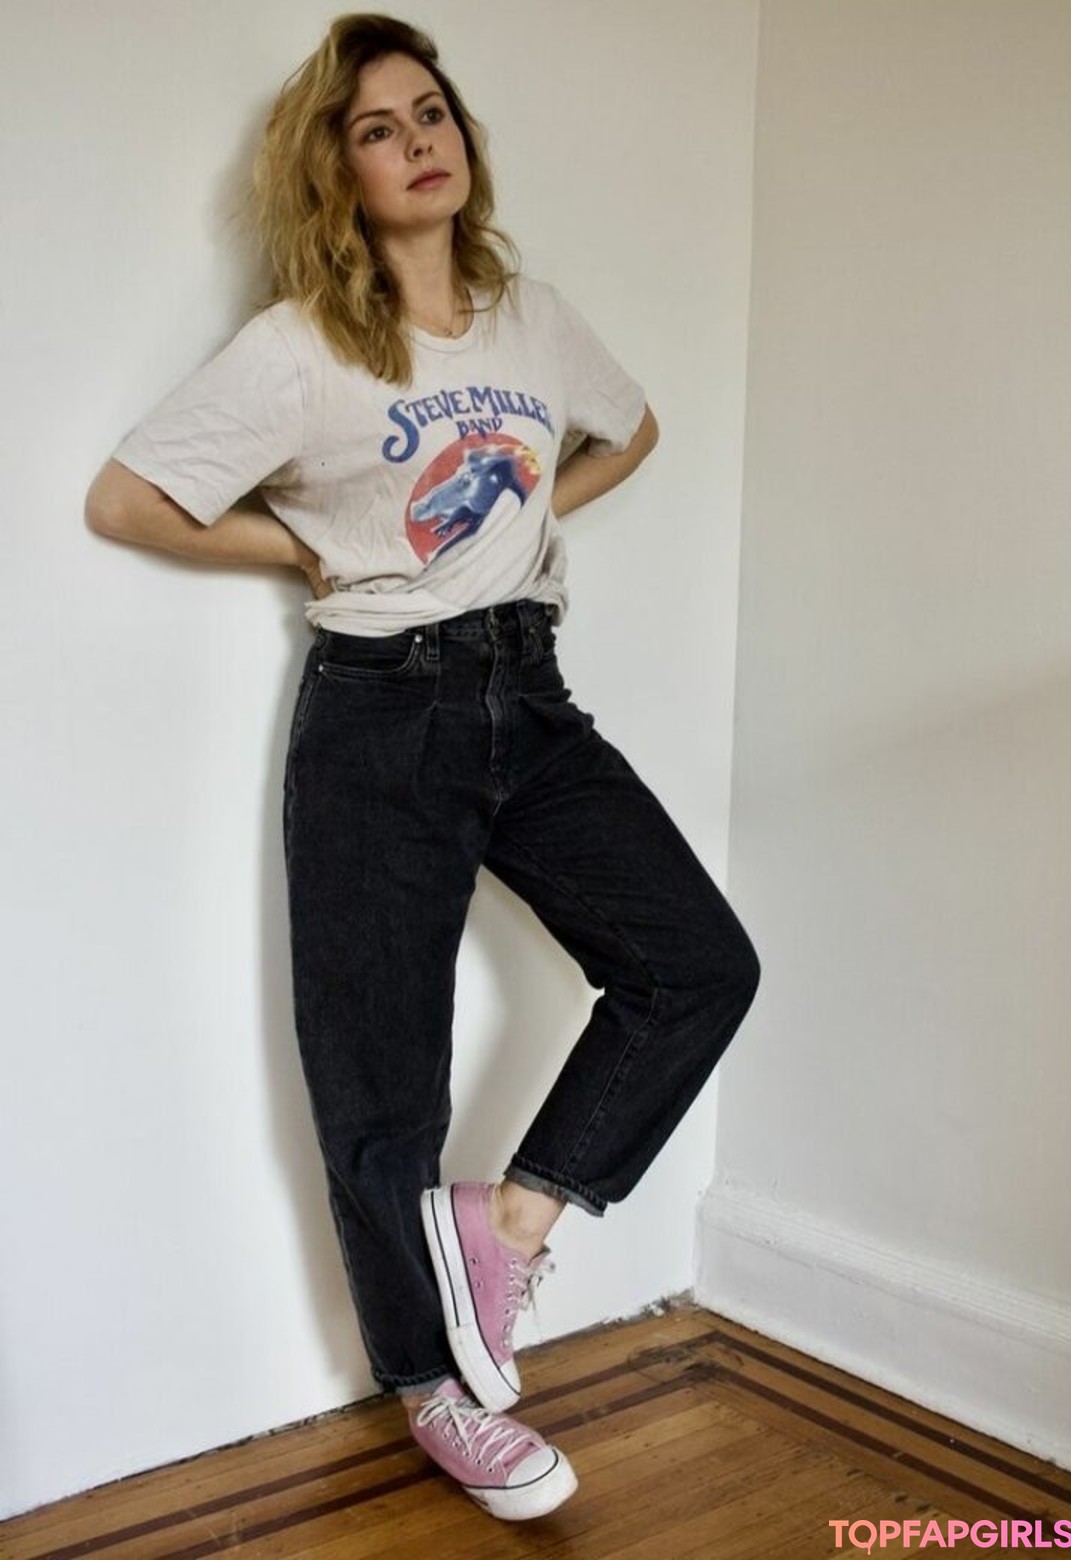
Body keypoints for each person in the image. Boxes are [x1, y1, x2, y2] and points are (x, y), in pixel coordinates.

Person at [85, 13, 760, 1524]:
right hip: (381, 713)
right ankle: (435, 1396)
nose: (418, 143)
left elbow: (634, 429)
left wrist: (525, 523)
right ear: (339, 169)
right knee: (379, 1083)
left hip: (532, 695)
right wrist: (316, 546)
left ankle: (505, 1226)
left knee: (697, 964)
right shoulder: (298, 348)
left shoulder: (531, 318)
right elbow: (128, 501)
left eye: (432, 112)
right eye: (378, 128)